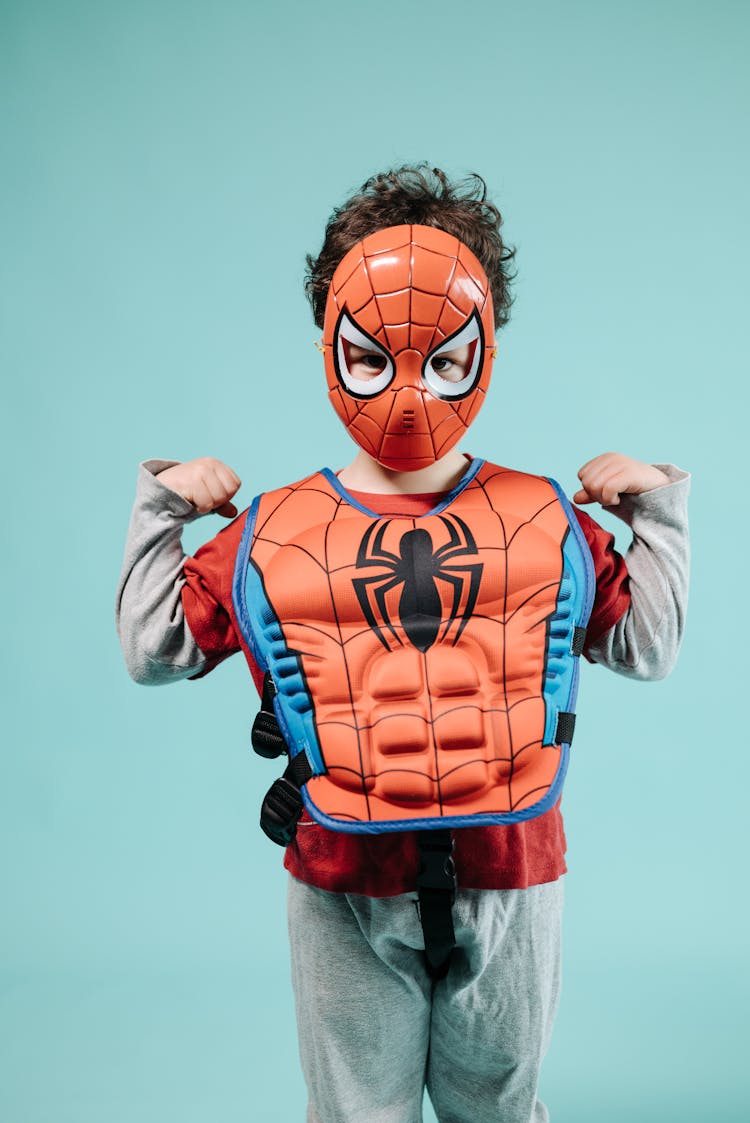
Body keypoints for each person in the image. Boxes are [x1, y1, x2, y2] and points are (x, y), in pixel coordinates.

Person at [116, 165, 690, 1123]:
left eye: (444, 354)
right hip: (342, 879)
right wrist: (162, 505)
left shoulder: (546, 520)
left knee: (501, 1113)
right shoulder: (272, 533)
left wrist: (658, 511)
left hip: (512, 869)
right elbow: (152, 647)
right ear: (328, 344)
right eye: (375, 354)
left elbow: (649, 644)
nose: (411, 387)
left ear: (484, 346)